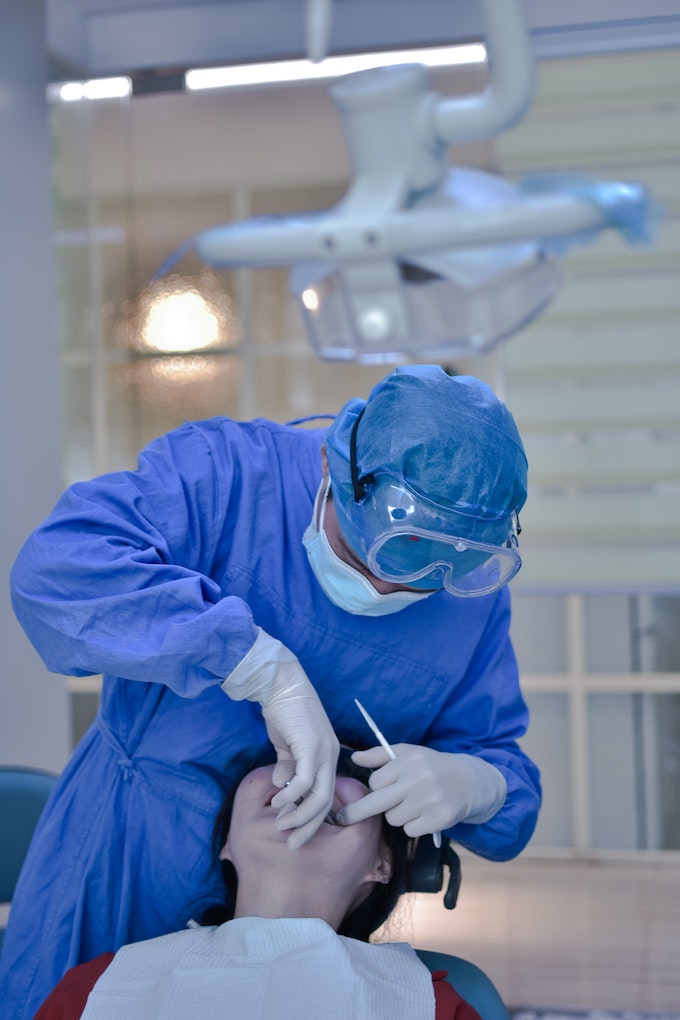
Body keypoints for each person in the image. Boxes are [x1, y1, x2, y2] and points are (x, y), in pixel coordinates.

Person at [2, 364, 540, 1018]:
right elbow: (57, 575)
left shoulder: (469, 596)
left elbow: (504, 787)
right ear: (332, 473)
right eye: (398, 553)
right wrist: (254, 662)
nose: (408, 586)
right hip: (123, 855)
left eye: (443, 570)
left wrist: (478, 782)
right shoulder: (226, 477)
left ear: (382, 869)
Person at [33, 752, 482, 1019]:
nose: (309, 781)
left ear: (383, 864)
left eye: (344, 769)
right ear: (226, 845)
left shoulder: (430, 1006)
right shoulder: (98, 987)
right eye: (283, 761)